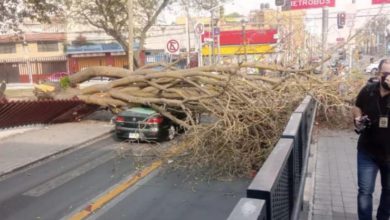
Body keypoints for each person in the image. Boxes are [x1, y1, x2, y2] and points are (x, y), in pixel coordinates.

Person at [353, 58, 390, 220]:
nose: (388, 77)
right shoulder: (368, 90)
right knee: (365, 192)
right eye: (385, 73)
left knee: (388, 192)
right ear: (379, 73)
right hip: (367, 152)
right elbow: (356, 106)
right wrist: (358, 118)